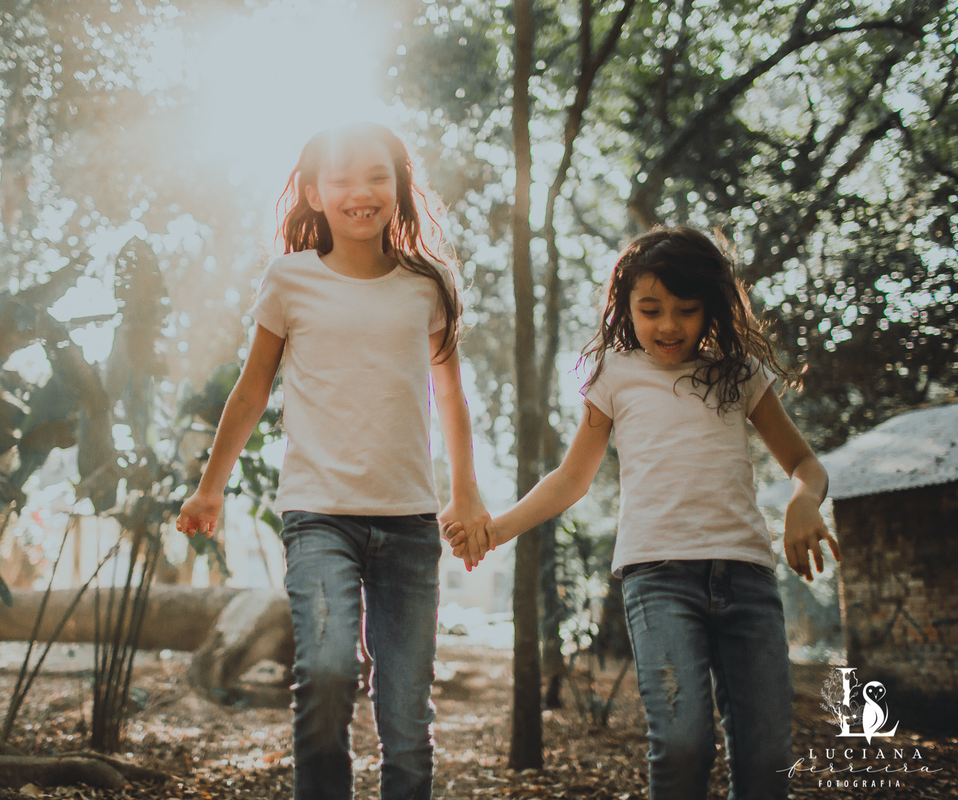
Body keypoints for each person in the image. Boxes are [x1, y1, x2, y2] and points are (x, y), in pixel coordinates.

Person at [449, 227, 839, 800]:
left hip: (746, 579)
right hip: (658, 580)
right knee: (682, 743)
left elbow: (805, 462)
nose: (668, 325)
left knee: (766, 756)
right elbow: (571, 478)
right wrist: (498, 530)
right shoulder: (614, 373)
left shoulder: (738, 372)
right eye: (650, 309)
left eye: (687, 309)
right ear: (625, 307)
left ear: (711, 306)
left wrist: (804, 501)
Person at [176, 122, 492, 800]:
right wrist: (210, 488)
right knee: (323, 670)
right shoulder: (289, 279)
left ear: (398, 186)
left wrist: (465, 493)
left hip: (409, 522)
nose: (361, 192)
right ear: (315, 193)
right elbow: (252, 389)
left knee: (406, 712)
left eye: (377, 176)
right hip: (318, 515)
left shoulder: (426, 283)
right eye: (342, 179)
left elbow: (450, 396)